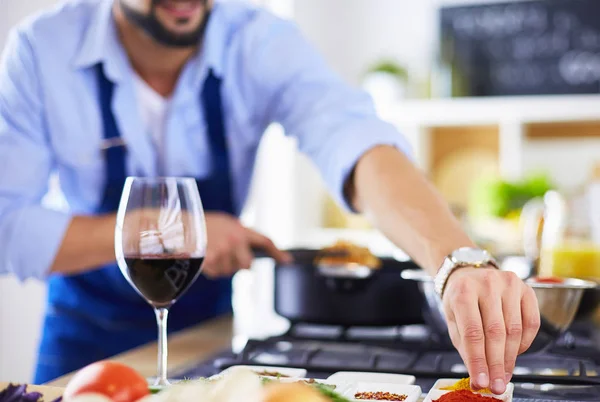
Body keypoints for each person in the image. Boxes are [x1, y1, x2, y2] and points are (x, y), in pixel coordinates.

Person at [0, 0, 540, 393]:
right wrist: (183, 232)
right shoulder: (41, 51)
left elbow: (353, 140)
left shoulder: (256, 39)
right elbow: (7, 228)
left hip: (201, 338)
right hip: (84, 341)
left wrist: (457, 261)